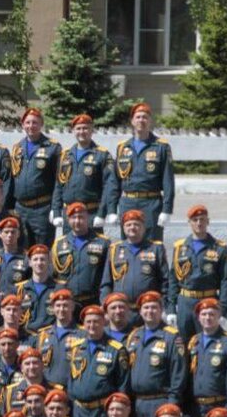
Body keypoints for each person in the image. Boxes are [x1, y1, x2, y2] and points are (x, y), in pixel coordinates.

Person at [165, 204, 227, 341]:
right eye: (195, 220)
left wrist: (223, 309)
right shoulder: (180, 247)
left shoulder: (219, 248)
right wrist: (171, 308)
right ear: (189, 222)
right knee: (184, 342)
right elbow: (173, 279)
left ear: (208, 221)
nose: (199, 223)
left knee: (208, 341)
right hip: (185, 302)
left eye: (202, 219)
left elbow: (226, 280)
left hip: (208, 300)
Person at [125, 290, 187, 417]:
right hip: (137, 403)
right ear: (140, 311)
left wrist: (172, 404)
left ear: (161, 310)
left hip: (160, 402)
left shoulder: (172, 337)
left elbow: (178, 374)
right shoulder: (134, 336)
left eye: (154, 307)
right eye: (146, 308)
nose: (150, 311)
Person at [110, 102, 174, 243]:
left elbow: (168, 181)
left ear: (150, 121)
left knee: (152, 244)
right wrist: (112, 209)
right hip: (127, 202)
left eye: (145, 117)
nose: (141, 120)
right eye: (138, 117)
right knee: (128, 243)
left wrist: (167, 210)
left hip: (151, 203)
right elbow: (114, 181)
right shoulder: (122, 148)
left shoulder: (161, 147)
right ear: (132, 121)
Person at [51, 113, 117, 227]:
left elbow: (109, 187)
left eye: (85, 128)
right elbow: (58, 185)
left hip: (90, 213)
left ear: (92, 130)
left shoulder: (102, 155)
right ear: (73, 131)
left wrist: (102, 213)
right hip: (69, 213)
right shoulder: (65, 155)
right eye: (78, 128)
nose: (82, 132)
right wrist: (56, 211)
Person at [11, 108, 61, 246]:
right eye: (27, 122)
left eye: (35, 122)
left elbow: (59, 182)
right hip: (20, 209)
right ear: (22, 125)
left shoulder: (53, 148)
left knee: (41, 250)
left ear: (41, 124)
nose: (31, 126)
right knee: (20, 248)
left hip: (42, 209)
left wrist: (55, 209)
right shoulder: (17, 148)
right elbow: (12, 179)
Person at [52, 202, 110, 308]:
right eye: (73, 218)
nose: (77, 221)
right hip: (67, 304)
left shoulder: (103, 243)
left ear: (88, 218)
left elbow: (108, 277)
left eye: (81, 217)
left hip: (93, 302)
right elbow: (54, 276)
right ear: (68, 220)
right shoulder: (59, 244)